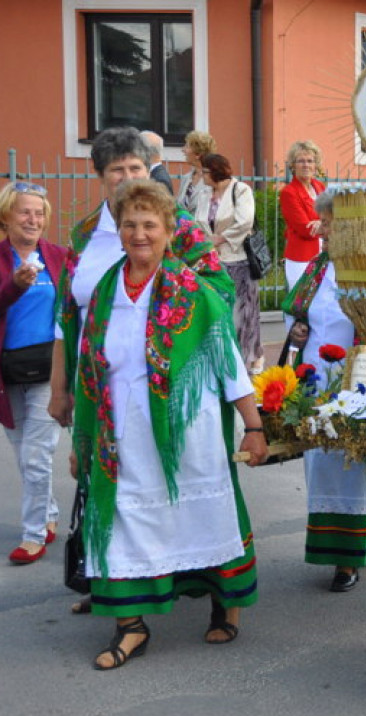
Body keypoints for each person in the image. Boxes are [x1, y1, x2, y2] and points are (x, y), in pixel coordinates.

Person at [73, 180, 267, 671]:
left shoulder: (196, 295)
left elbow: (228, 364)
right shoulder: (103, 293)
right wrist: (82, 439)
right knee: (125, 521)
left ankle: (226, 601)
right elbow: (87, 372)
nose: (139, 234)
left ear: (168, 231)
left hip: (190, 434)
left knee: (204, 517)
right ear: (119, 231)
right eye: (130, 225)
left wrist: (254, 425)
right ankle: (131, 626)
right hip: (122, 433)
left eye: (149, 225)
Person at [49, 126, 219, 615]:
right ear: (99, 176)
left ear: (151, 170)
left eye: (136, 168)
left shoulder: (178, 225)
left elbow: (217, 295)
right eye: (116, 170)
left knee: (166, 490)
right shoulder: (85, 233)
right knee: (99, 482)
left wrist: (166, 335)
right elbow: (67, 315)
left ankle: (177, 582)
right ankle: (109, 581)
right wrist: (59, 388)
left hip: (168, 387)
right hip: (95, 386)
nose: (127, 177)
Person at [281, 188, 366, 593]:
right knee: (323, 467)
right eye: (325, 222)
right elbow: (295, 308)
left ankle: (350, 557)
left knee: (358, 466)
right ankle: (360, 539)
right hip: (316, 379)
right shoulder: (317, 267)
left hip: (360, 379)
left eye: (331, 223)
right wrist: (297, 327)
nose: (324, 229)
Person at [1, 182, 68, 564]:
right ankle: (49, 514)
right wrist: (13, 287)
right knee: (22, 450)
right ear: (7, 215)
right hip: (8, 371)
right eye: (25, 212)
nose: (34, 219)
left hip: (49, 369)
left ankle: (33, 535)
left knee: (36, 456)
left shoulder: (59, 257)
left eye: (40, 213)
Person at [193, 153, 264, 375]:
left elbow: (245, 221)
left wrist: (220, 239)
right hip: (212, 261)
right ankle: (220, 358)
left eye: (204, 171)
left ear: (215, 171)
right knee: (218, 312)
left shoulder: (240, 190)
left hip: (238, 260)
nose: (201, 175)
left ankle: (243, 362)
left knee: (241, 314)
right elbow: (198, 221)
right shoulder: (205, 194)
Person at [279, 140, 327, 290]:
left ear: (315, 164)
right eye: (300, 161)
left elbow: (334, 216)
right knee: (300, 303)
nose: (306, 165)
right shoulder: (289, 193)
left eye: (310, 161)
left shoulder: (320, 186)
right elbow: (304, 229)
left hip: (324, 254)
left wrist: (321, 223)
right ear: (293, 165)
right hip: (301, 258)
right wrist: (326, 223)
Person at [177, 130, 216, 214]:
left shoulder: (213, 179)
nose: (183, 150)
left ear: (198, 154)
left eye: (187, 146)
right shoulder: (186, 178)